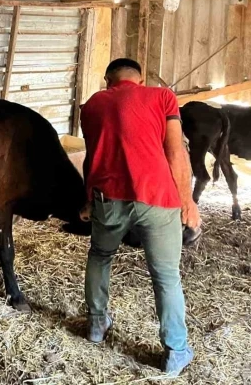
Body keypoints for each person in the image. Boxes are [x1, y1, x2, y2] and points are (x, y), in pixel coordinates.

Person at [80, 58, 201, 377]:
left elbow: (92, 156)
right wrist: (187, 202)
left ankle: (96, 324)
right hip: (157, 199)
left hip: (108, 199)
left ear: (108, 80)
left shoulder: (92, 105)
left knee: (100, 255)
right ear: (141, 79)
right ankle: (175, 351)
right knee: (165, 275)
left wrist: (87, 199)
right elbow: (176, 153)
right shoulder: (161, 97)